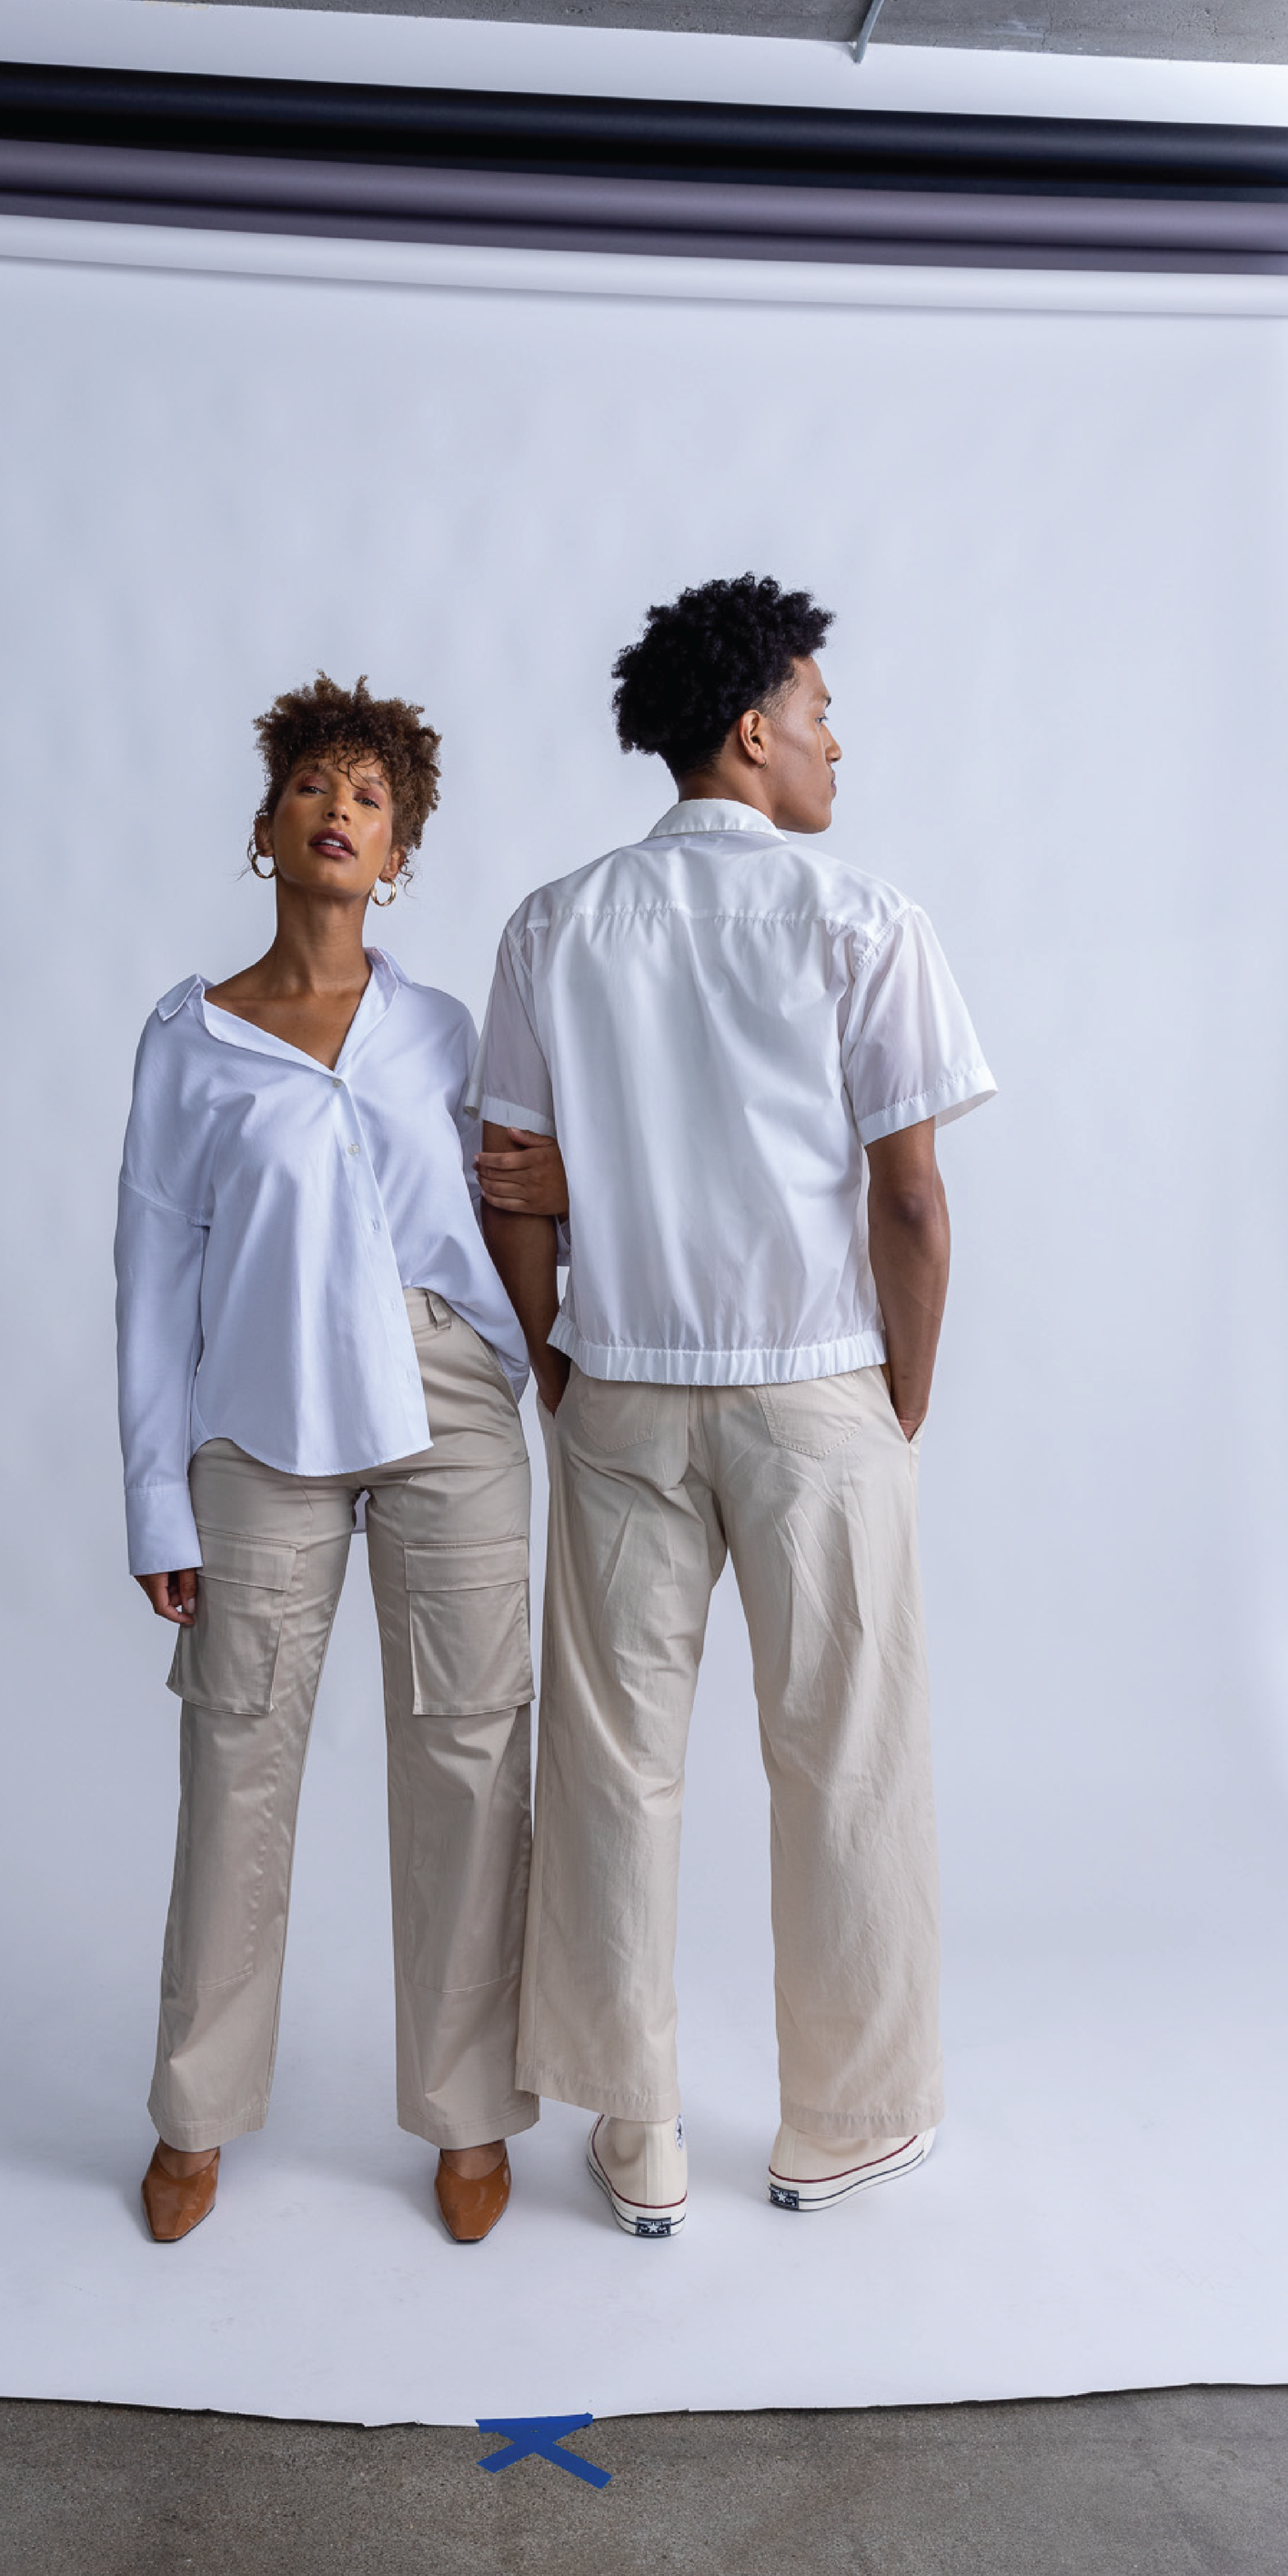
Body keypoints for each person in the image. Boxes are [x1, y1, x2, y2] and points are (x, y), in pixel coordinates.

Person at [474, 575, 995, 2235]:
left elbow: (510, 1182)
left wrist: (559, 1361)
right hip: (815, 1387)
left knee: (613, 1764)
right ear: (756, 730)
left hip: (623, 1385)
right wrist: (904, 1387)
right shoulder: (860, 917)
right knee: (845, 1756)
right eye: (822, 712)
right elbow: (909, 1197)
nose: (840, 741)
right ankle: (847, 2119)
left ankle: (636, 2127)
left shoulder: (554, 925)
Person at [116, 673, 565, 2248]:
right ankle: (195, 2109)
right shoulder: (189, 1039)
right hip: (264, 1412)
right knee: (237, 1750)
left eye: (371, 798)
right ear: (268, 825)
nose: (339, 810)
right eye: (316, 785)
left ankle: (466, 2105)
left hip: (449, 1401)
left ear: (399, 854)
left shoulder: (440, 1032)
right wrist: (155, 1495)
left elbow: (509, 1201)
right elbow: (151, 1278)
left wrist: (550, 1249)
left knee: (467, 1748)